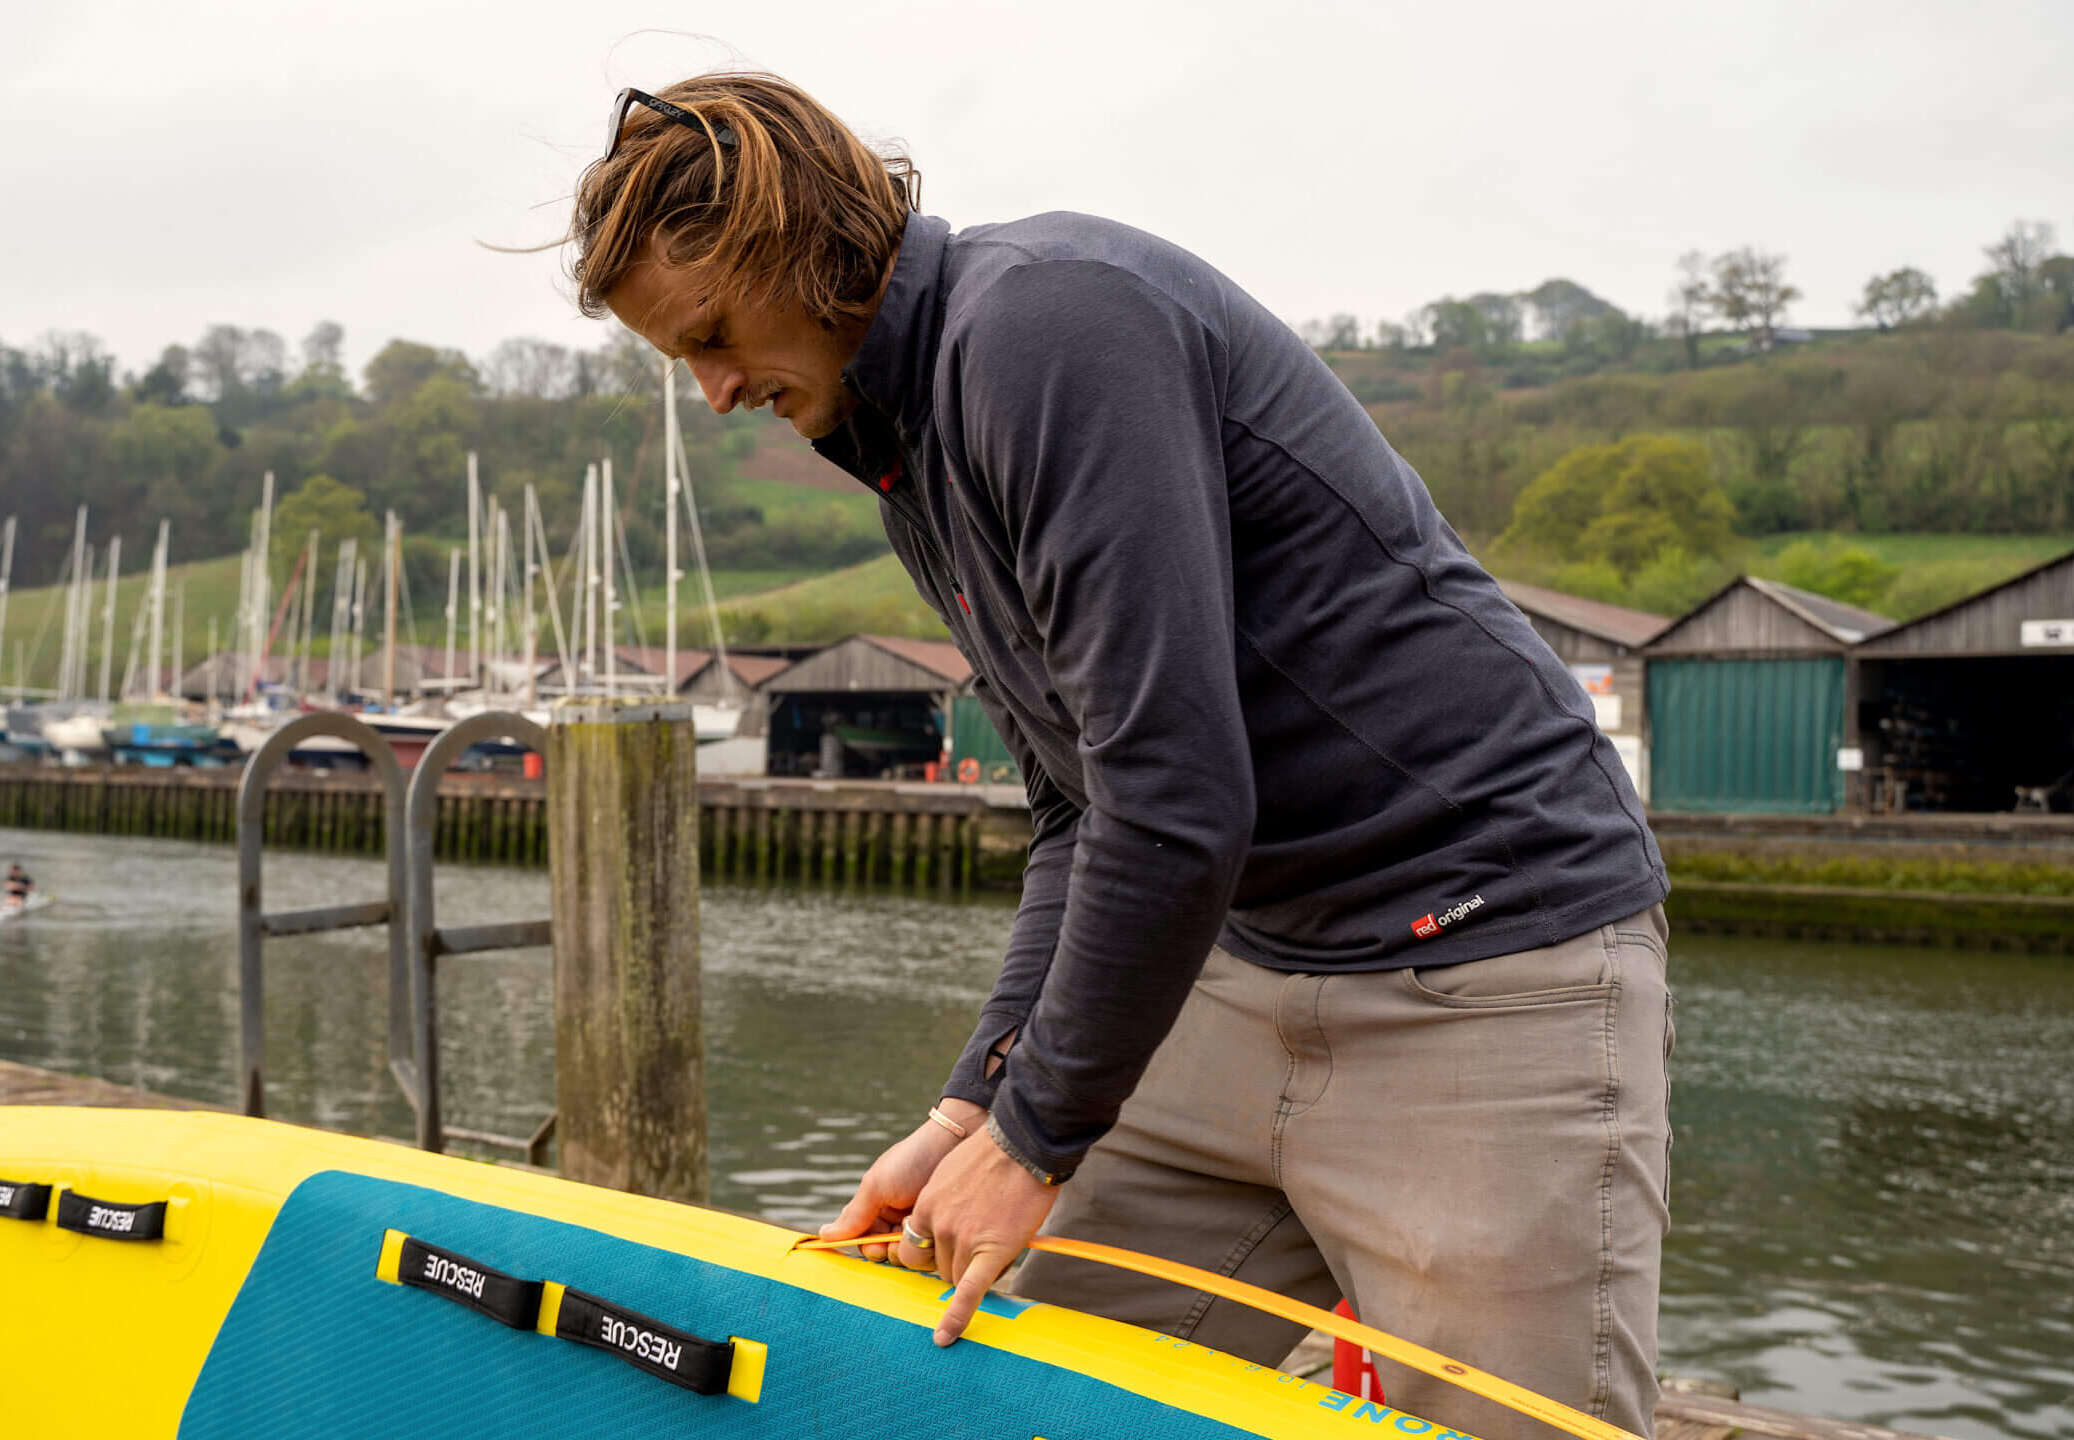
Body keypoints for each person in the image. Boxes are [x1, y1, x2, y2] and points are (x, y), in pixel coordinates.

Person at [562, 74, 1673, 1440]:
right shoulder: (910, 455)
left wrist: (1038, 1139)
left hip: (1488, 957)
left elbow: (1176, 796)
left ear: (803, 240)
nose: (717, 391)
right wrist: (973, 1110)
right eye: (684, 361)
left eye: (715, 335)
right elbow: (1076, 815)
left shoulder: (1049, 320)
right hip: (1247, 968)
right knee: (1016, 1367)